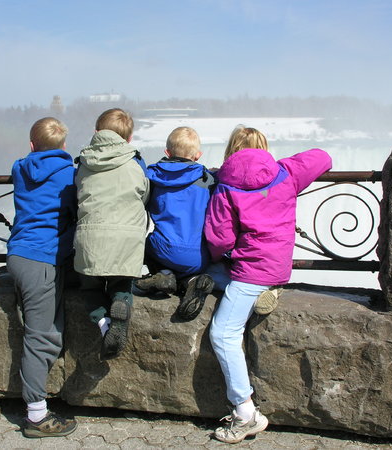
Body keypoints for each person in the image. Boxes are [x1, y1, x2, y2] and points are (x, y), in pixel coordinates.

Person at [204, 126, 332, 443]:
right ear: (263, 147)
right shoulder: (286, 172)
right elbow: (323, 157)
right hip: (278, 264)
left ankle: (245, 412)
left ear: (231, 150)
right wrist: (283, 165)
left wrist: (226, 256)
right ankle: (267, 289)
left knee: (223, 333)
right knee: (210, 281)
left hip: (250, 271)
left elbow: (219, 239)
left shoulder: (225, 184)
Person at [6, 117, 78, 438]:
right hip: (42, 259)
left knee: (45, 329)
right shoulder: (69, 175)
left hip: (18, 254)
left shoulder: (19, 168)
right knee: (40, 337)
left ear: (32, 145)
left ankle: (37, 406)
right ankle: (36, 415)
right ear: (64, 145)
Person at [74, 108, 150, 360]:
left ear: (96, 132)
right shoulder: (136, 162)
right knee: (121, 282)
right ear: (129, 138)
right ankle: (121, 302)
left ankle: (103, 322)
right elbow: (144, 194)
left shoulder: (83, 162)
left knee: (89, 287)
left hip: (90, 238)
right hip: (126, 239)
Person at [134, 126, 216, 320]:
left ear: (167, 152)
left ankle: (164, 274)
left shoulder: (153, 176)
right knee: (186, 261)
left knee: (145, 243)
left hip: (163, 250)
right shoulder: (208, 180)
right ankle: (190, 282)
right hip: (199, 256)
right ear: (198, 155)